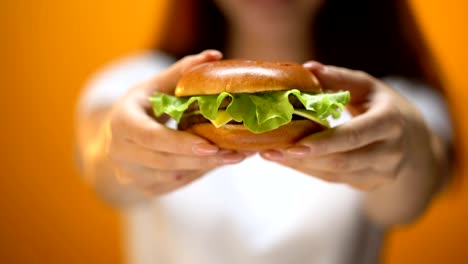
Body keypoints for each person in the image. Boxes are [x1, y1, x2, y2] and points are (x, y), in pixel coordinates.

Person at [75, 0, 454, 263]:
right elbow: (102, 168)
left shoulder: (388, 104)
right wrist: (120, 148)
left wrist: (411, 143)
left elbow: (406, 199)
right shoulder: (136, 84)